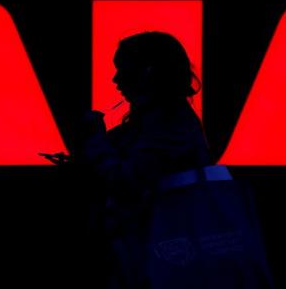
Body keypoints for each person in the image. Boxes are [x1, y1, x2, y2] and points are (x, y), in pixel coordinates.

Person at [66, 32, 273, 288]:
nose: (115, 79)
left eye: (122, 69)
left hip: (158, 255)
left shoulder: (167, 120)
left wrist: (96, 140)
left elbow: (126, 182)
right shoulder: (155, 117)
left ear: (148, 72)